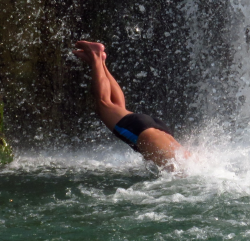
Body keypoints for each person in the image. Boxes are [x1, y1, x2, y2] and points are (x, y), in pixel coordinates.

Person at [73, 40, 186, 169]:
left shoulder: (192, 164)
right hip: (144, 133)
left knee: (118, 109)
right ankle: (96, 56)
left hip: (158, 130)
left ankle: (101, 62)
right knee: (103, 104)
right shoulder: (182, 171)